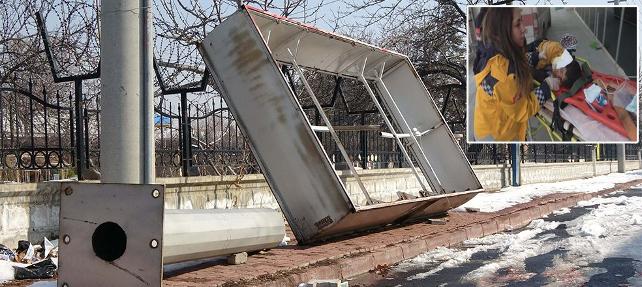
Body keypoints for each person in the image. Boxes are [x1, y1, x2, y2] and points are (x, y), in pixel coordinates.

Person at [473, 7, 555, 141]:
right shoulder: (502, 76)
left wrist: (536, 57)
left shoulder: (497, 53)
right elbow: (524, 109)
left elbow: (515, 63)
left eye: (522, 21)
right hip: (495, 136)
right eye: (518, 24)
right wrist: (547, 87)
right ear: (502, 31)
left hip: (498, 125)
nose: (524, 28)